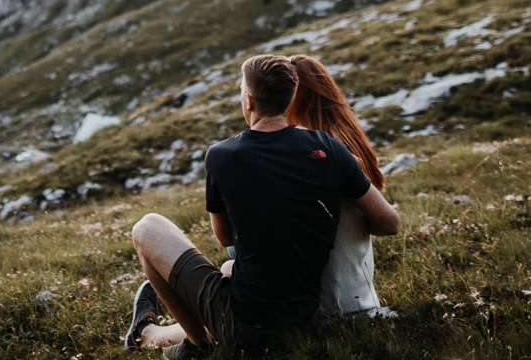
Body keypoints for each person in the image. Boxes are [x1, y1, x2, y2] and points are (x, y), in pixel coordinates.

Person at [123, 55, 400, 357]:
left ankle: (196, 345)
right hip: (306, 314)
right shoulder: (331, 148)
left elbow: (225, 238)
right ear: (289, 97)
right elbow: (391, 223)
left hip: (252, 323)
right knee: (230, 271)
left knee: (147, 227)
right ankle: (153, 334)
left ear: (250, 101)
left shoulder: (222, 156)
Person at [288, 54, 388, 318]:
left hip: (324, 305)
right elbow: (381, 223)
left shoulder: (306, 151)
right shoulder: (350, 144)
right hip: (361, 294)